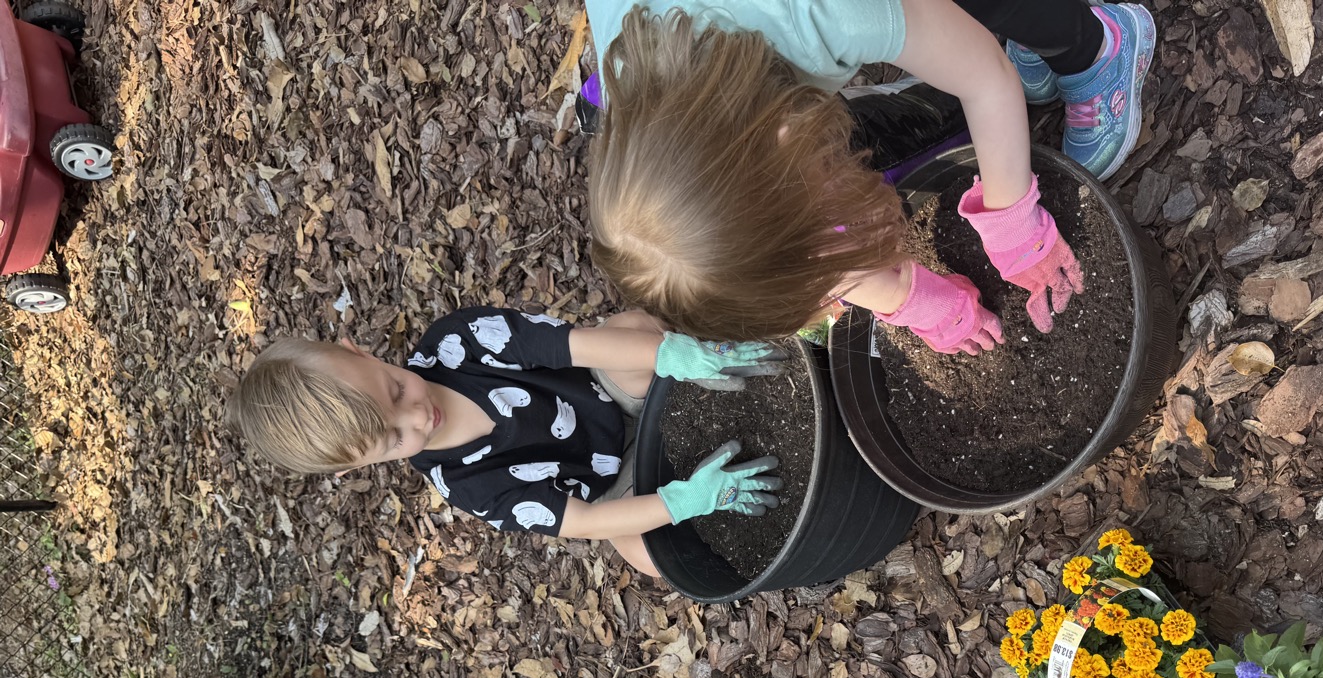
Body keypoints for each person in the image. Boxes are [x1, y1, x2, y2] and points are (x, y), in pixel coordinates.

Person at [585, 0, 1153, 355]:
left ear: (788, 134)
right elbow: (797, 245)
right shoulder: (651, 119)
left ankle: (1093, 45)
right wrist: (908, 299)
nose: (840, 292)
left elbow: (985, 77)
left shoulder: (820, 13)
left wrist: (1012, 223)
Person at [226, 307, 784, 577]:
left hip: (607, 393)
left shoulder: (459, 344)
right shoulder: (466, 483)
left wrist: (673, 357)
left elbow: (576, 345)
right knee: (645, 556)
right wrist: (688, 500)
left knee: (635, 329)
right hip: (610, 481)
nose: (418, 419)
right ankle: (714, 491)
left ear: (360, 351)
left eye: (396, 390)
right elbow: (585, 523)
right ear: (358, 467)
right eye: (395, 440)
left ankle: (700, 365)